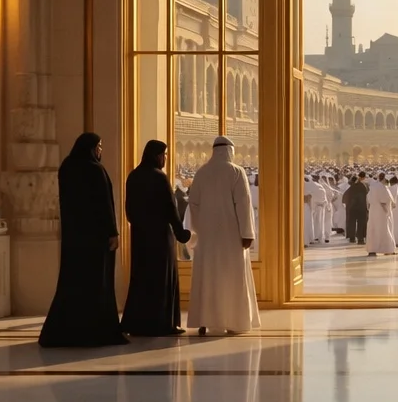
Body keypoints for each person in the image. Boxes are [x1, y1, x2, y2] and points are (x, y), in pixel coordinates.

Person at [39, 133, 128, 347]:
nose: (100, 150)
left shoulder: (67, 167)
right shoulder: (95, 170)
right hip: (96, 240)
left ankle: (68, 330)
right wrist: (113, 233)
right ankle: (97, 331)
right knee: (97, 284)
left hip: (74, 239)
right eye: (98, 146)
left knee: (73, 283)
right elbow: (105, 205)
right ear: (90, 147)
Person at [187, 136, 258, 336]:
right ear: (230, 151)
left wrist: (198, 230)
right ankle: (233, 321)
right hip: (232, 236)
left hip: (207, 237)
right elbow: (243, 205)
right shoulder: (236, 172)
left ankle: (204, 320)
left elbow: (193, 205)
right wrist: (247, 233)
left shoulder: (201, 173)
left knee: (207, 277)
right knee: (231, 277)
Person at [121, 139, 192, 336]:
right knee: (162, 279)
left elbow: (129, 211)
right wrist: (181, 233)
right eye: (164, 155)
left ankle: (137, 323)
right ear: (157, 155)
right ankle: (163, 323)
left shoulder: (134, 176)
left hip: (141, 237)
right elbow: (171, 208)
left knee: (142, 279)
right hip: (160, 237)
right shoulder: (159, 177)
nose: (166, 159)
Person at [367, 175, 397, 255]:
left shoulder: (373, 187)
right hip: (382, 212)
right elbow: (383, 201)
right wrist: (387, 212)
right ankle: (388, 249)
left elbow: (368, 199)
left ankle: (372, 250)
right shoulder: (382, 187)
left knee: (374, 229)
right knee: (384, 229)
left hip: (373, 212)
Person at [343, 173, 368, 244]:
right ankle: (360, 239)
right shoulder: (364, 186)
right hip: (361, 208)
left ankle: (352, 238)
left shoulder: (351, 187)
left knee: (351, 223)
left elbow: (345, 198)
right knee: (361, 223)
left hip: (352, 208)